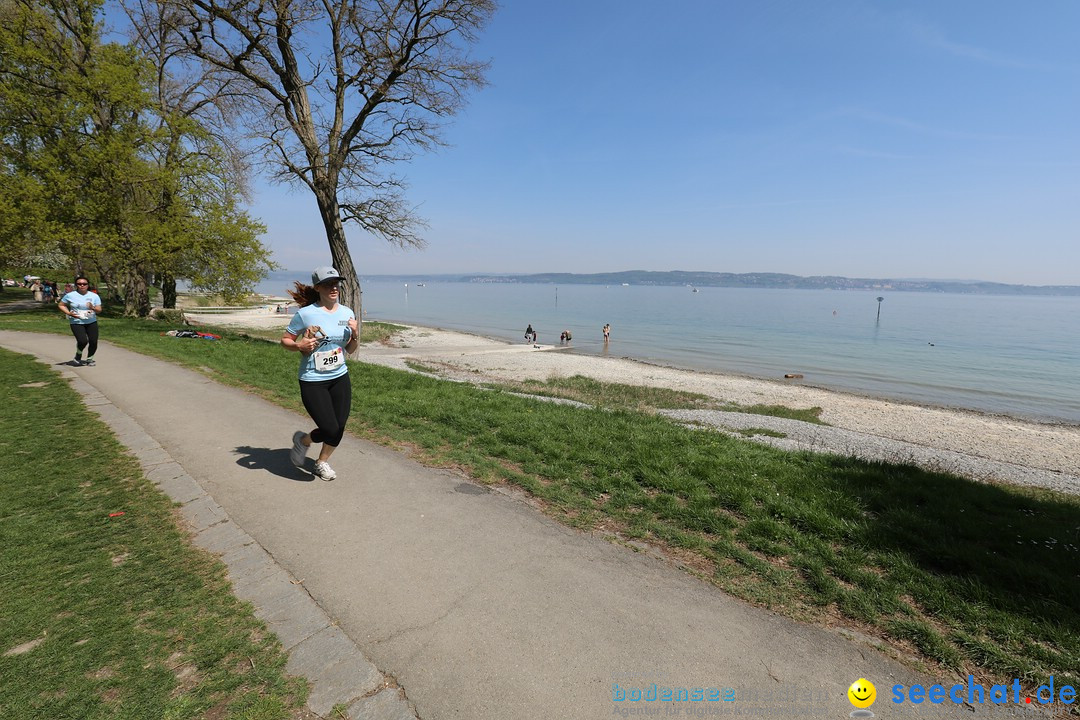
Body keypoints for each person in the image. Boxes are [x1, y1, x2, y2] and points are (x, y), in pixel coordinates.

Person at [281, 266, 359, 481]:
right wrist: (299, 346)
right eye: (327, 284)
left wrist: (355, 335)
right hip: (313, 380)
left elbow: (350, 350)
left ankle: (321, 462)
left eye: (336, 283)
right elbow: (285, 340)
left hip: (340, 377)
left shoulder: (347, 313)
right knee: (330, 428)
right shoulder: (305, 314)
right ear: (318, 288)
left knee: (339, 427)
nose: (333, 287)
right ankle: (304, 441)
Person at [59, 276, 103, 366]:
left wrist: (93, 307)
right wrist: (69, 313)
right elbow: (61, 305)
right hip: (76, 322)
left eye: (84, 284)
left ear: (87, 285)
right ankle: (78, 355)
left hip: (91, 322)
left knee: (93, 341)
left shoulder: (94, 296)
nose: (82, 285)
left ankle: (89, 359)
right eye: (79, 284)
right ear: (76, 285)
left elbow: (99, 310)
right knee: (82, 341)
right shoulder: (70, 295)